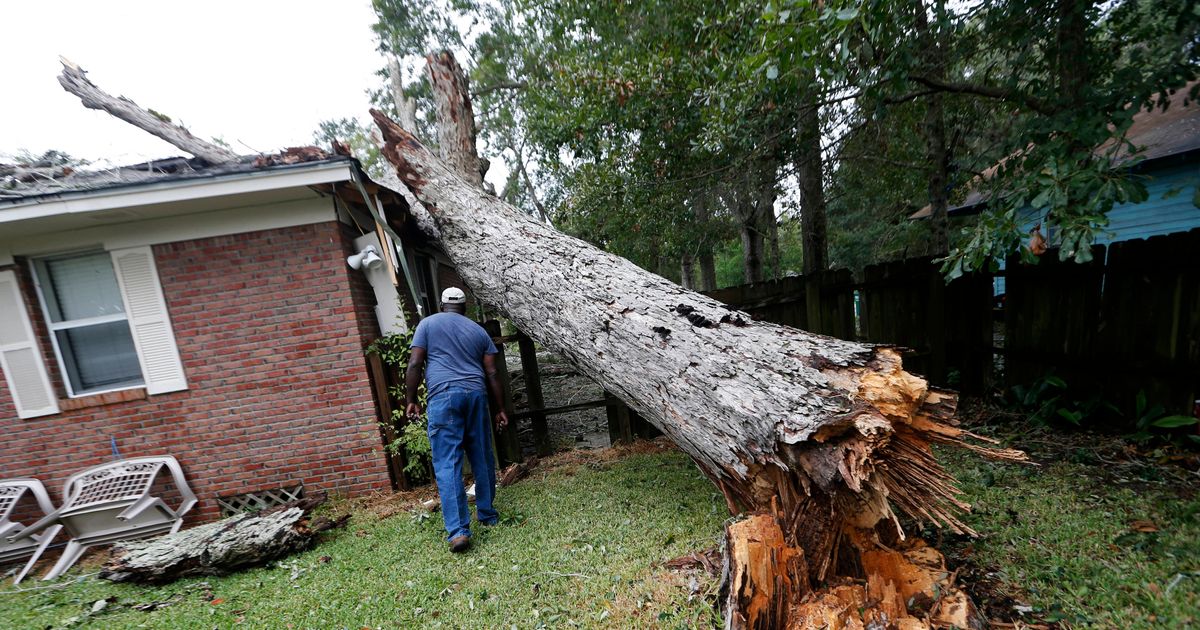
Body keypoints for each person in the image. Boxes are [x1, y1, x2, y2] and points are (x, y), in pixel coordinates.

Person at [405, 287, 509, 553]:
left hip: (444, 397)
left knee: (447, 462)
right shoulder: (478, 332)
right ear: (464, 308)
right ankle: (487, 514)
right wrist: (499, 408)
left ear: (442, 305)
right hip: (476, 395)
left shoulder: (427, 324)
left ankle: (459, 532)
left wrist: (411, 399)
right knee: (482, 456)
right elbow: (492, 372)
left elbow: (415, 363)